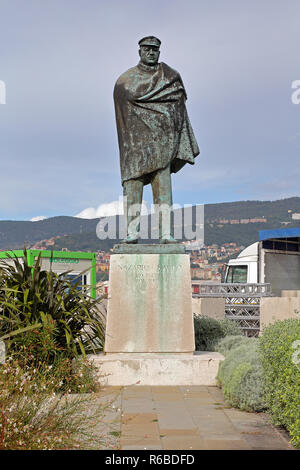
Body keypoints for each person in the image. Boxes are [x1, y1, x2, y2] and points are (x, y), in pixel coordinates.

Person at [113, 36, 200, 243]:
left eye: (155, 49)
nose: (151, 52)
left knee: (164, 193)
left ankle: (165, 234)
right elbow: (122, 117)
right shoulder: (125, 81)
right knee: (132, 188)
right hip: (134, 148)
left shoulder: (169, 77)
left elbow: (179, 109)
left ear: (159, 52)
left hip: (162, 146)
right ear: (140, 52)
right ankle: (132, 232)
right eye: (147, 49)